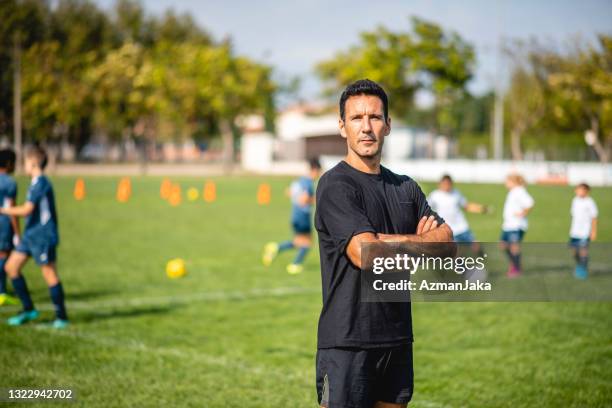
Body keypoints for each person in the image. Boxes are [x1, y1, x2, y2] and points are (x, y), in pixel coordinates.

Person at [314, 79, 453, 408]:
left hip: (397, 338)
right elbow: (365, 253)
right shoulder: (336, 185)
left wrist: (384, 241)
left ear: (388, 125)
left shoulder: (406, 188)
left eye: (375, 118)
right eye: (356, 118)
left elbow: (447, 244)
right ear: (342, 126)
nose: (366, 128)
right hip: (348, 343)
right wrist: (421, 240)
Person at [2, 145, 67, 328]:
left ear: (33, 162)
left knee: (49, 274)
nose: (23, 166)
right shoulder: (34, 183)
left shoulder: (41, 183)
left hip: (43, 235)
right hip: (31, 234)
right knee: (11, 267)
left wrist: (3, 210)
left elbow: (27, 209)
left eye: (25, 162)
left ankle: (61, 317)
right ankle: (29, 309)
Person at [262, 158, 322, 275]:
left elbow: (288, 192)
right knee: (307, 243)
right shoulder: (308, 182)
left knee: (298, 242)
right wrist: (317, 200)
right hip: (303, 216)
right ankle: (295, 265)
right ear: (315, 169)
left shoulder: (299, 181)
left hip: (295, 215)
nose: (318, 174)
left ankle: (276, 248)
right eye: (319, 172)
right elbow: (304, 200)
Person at [428, 174, 489, 250]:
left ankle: (482, 258)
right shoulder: (435, 195)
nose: (447, 186)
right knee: (457, 252)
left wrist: (482, 209)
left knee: (476, 246)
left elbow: (467, 206)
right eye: (445, 184)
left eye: (449, 184)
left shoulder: (456, 193)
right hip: (449, 229)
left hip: (462, 226)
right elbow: (427, 209)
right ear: (440, 184)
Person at [500, 173, 534, 278]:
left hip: (516, 225)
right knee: (503, 245)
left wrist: (523, 212)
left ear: (513, 182)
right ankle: (514, 264)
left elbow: (530, 203)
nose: (505, 183)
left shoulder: (520, 190)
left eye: (507, 181)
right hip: (508, 225)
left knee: (514, 247)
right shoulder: (513, 192)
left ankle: (516, 268)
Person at [0, 148, 20, 306]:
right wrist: (17, 233)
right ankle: (2, 292)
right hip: (3, 224)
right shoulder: (9, 182)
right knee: (3, 256)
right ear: (8, 164)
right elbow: (11, 209)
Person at [569, 183, 598, 279]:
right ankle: (579, 265)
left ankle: (583, 269)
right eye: (577, 189)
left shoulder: (590, 202)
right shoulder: (575, 200)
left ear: (587, 191)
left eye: (581, 190)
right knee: (574, 251)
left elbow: (594, 217)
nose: (578, 191)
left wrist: (593, 231)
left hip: (585, 232)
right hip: (574, 232)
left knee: (583, 251)